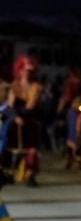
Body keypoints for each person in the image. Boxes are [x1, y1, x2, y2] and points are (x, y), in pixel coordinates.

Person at [4, 54, 43, 186]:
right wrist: (15, 117)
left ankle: (30, 176)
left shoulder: (36, 86)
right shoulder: (14, 85)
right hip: (15, 119)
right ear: (19, 71)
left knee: (32, 149)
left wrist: (22, 116)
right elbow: (10, 105)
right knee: (10, 146)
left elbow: (31, 105)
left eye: (29, 71)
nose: (26, 73)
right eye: (24, 70)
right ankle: (8, 173)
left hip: (30, 119)